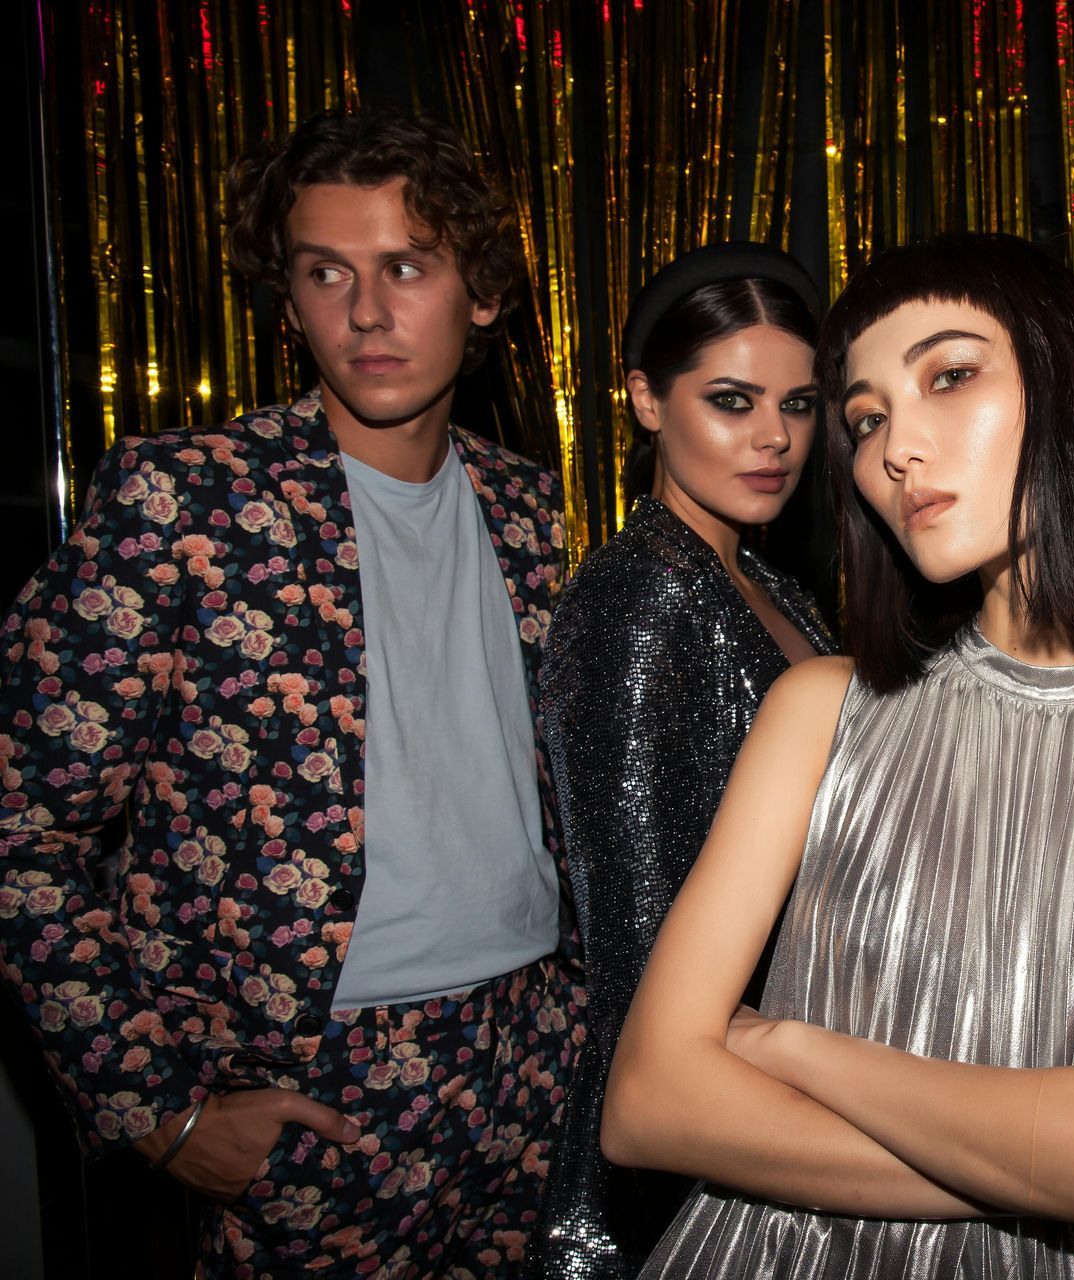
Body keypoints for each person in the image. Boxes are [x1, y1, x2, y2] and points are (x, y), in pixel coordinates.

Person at [602, 231, 1074, 1277]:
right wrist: (1053, 1137)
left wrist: (789, 1046)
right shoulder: (819, 709)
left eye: (949, 375)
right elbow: (646, 1104)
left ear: (1067, 384)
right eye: (865, 418)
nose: (896, 447)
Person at [0, 108, 583, 1277]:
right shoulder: (185, 504)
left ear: (481, 295)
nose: (367, 311)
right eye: (328, 272)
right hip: (312, 1077)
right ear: (292, 297)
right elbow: (23, 833)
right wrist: (155, 1111)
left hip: (532, 1050)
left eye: (406, 267)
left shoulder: (530, 509)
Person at [528, 243, 836, 1277]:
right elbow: (641, 949)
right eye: (732, 400)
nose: (772, 439)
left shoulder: (772, 583)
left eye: (798, 405)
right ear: (646, 401)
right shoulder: (637, 604)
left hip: (783, 1072)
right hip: (690, 1144)